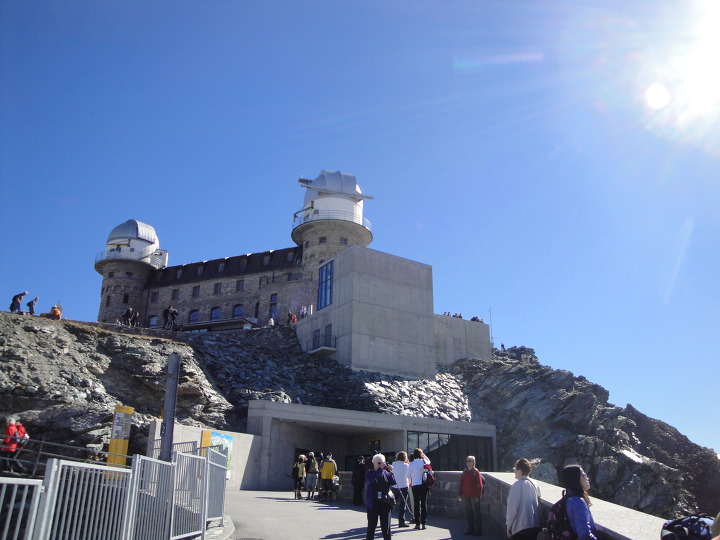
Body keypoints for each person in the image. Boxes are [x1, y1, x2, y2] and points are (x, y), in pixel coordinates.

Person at [506, 458, 542, 539]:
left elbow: (512, 509)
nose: (514, 471)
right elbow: (539, 497)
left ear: (520, 470)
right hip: (535, 526)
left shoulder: (516, 486)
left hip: (521, 528)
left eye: (515, 468)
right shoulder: (534, 483)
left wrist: (508, 527)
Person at [559, 465, 597, 540]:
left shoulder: (567, 498)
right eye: (583, 475)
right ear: (575, 479)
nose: (587, 478)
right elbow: (585, 535)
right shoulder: (578, 502)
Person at [364, 453, 396, 540]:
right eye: (379, 463)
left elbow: (393, 482)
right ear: (374, 463)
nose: (381, 464)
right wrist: (379, 469)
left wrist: (390, 471)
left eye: (383, 463)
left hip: (385, 501)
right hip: (373, 502)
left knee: (386, 525)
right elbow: (370, 480)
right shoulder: (370, 472)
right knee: (372, 524)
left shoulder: (386, 473)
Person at [458, 455, 484, 536]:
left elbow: (480, 485)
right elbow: (462, 483)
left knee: (476, 513)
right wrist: (459, 494)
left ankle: (478, 530)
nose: (468, 462)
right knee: (468, 512)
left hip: (474, 495)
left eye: (470, 461)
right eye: (467, 461)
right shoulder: (464, 472)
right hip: (466, 495)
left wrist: (478, 496)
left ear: (474, 462)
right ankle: (470, 528)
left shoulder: (476, 472)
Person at [408, 447, 431, 530]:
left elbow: (408, 476)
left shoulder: (411, 464)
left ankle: (417, 524)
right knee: (424, 504)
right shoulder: (424, 462)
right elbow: (429, 461)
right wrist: (424, 455)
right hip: (423, 484)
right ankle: (423, 523)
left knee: (416, 504)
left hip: (415, 485)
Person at [392, 451, 411, 527]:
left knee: (392, 503)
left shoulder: (394, 464)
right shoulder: (406, 465)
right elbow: (409, 475)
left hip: (395, 486)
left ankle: (386, 518)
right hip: (403, 486)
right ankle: (401, 521)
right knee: (403, 505)